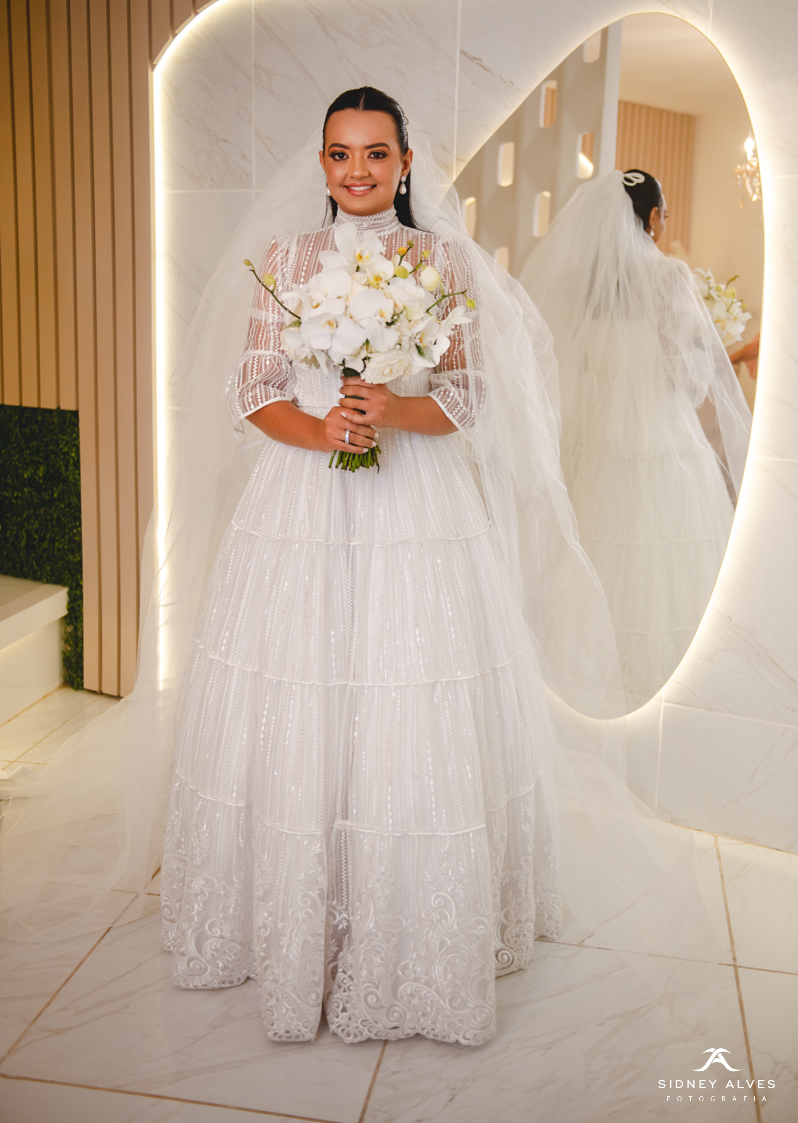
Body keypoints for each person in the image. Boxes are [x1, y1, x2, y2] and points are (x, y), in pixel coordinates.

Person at [0, 101, 725, 1047]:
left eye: (376, 153)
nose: (357, 170)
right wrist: (323, 431)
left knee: (405, 691)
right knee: (301, 686)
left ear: (405, 162)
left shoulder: (442, 262)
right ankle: (295, 914)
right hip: (299, 500)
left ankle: (406, 923)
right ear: (322, 161)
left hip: (415, 500)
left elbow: (467, 394)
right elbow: (254, 388)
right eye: (341, 154)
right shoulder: (287, 259)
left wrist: (390, 410)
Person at [522, 170, 752, 710]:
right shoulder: (668, 275)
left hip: (596, 440)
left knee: (597, 544)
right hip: (659, 437)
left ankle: (592, 677)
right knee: (666, 560)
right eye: (663, 215)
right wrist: (705, 353)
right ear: (651, 217)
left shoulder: (582, 281)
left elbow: (573, 365)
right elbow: (683, 376)